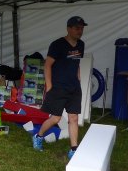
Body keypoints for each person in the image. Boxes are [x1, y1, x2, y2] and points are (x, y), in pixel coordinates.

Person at [32, 16, 87, 159]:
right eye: (77, 28)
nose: (80, 31)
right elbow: (48, 65)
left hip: (74, 87)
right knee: (56, 118)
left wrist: (78, 79)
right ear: (68, 28)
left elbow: (76, 63)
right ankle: (38, 136)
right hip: (58, 87)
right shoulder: (57, 45)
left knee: (73, 118)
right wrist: (49, 86)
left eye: (81, 28)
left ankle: (74, 149)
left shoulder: (81, 45)